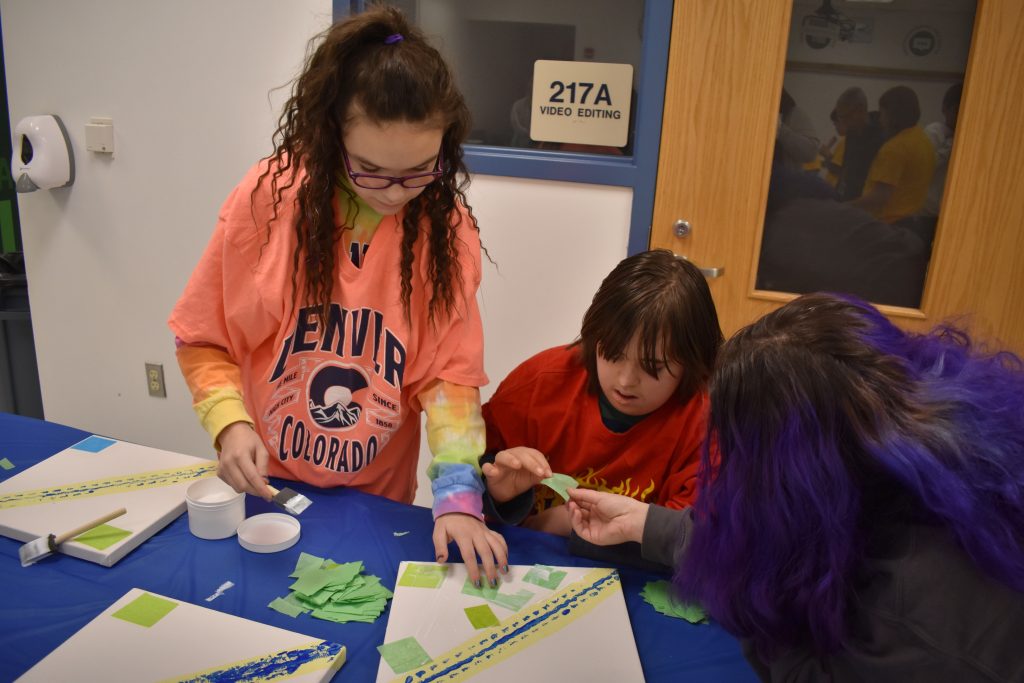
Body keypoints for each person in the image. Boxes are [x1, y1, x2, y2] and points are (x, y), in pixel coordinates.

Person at [168, 7, 506, 586]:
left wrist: (457, 495)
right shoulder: (268, 202)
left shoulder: (443, 228)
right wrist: (229, 425)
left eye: (422, 170)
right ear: (330, 136)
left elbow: (448, 380)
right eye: (371, 171)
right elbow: (203, 339)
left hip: (377, 500)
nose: (398, 194)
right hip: (266, 483)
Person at [567, 292, 1024, 681]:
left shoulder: (916, 619)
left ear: (790, 472)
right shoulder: (920, 463)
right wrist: (650, 525)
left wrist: (744, 590)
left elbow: (802, 659)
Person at [480, 250, 723, 555]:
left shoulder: (704, 424)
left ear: (692, 363)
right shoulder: (540, 383)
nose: (625, 381)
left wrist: (567, 525)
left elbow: (692, 542)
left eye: (652, 367)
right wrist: (499, 494)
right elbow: (468, 479)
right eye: (611, 354)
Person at [850, 86, 936, 223]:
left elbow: (879, 197)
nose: (880, 120)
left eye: (883, 114)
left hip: (889, 225)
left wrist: (844, 208)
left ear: (893, 115)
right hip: (914, 222)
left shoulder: (895, 148)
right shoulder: (922, 140)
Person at [827, 86, 885, 201]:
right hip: (850, 199)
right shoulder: (852, 132)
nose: (843, 123)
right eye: (840, 118)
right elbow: (846, 168)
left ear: (860, 110)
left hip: (870, 201)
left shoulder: (883, 131)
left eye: (845, 117)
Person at [922, 82, 963, 218]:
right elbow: (926, 166)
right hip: (930, 210)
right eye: (957, 110)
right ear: (945, 109)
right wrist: (951, 145)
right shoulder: (934, 131)